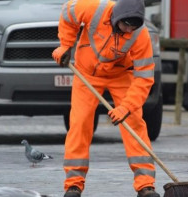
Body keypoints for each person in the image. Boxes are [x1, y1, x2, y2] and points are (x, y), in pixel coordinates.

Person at [52, 0, 159, 196]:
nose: (129, 30)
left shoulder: (140, 35)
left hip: (121, 75)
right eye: (125, 25)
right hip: (87, 75)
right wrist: (65, 45)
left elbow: (144, 77)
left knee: (134, 122)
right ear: (116, 16)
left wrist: (126, 107)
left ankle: (146, 185)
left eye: (133, 26)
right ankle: (73, 184)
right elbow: (68, 13)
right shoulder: (93, 8)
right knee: (80, 123)